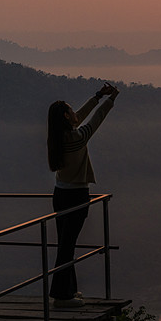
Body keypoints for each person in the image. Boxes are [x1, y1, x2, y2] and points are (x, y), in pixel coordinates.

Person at [46, 82, 119, 308]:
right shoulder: (76, 138)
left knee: (65, 243)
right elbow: (96, 120)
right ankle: (61, 296)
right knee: (67, 246)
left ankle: (68, 290)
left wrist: (98, 95)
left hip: (60, 194)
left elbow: (79, 117)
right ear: (66, 117)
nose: (74, 112)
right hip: (76, 196)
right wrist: (110, 100)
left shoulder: (58, 137)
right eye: (70, 110)